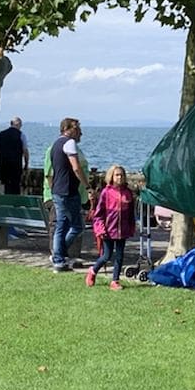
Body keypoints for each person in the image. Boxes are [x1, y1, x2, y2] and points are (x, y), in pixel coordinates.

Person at [87, 165, 138, 289]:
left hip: (122, 231)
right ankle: (93, 270)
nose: (119, 177)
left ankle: (115, 280)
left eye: (121, 175)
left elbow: (131, 213)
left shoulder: (128, 193)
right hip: (108, 230)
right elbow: (99, 214)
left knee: (120, 256)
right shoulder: (106, 192)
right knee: (106, 256)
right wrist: (100, 229)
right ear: (111, 176)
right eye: (117, 175)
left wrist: (131, 227)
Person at [50, 117, 86, 272]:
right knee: (77, 226)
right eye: (76, 129)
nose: (80, 133)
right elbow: (76, 168)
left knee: (61, 225)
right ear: (67, 129)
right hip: (68, 191)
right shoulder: (69, 143)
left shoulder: (55, 144)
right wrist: (87, 185)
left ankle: (58, 257)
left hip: (57, 189)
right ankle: (58, 256)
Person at [0, 116, 28, 195]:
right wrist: (26, 164)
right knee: (15, 186)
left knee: (5, 186)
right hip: (16, 166)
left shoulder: (1, 134)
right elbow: (25, 151)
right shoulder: (21, 135)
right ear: (19, 125)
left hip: (3, 165)